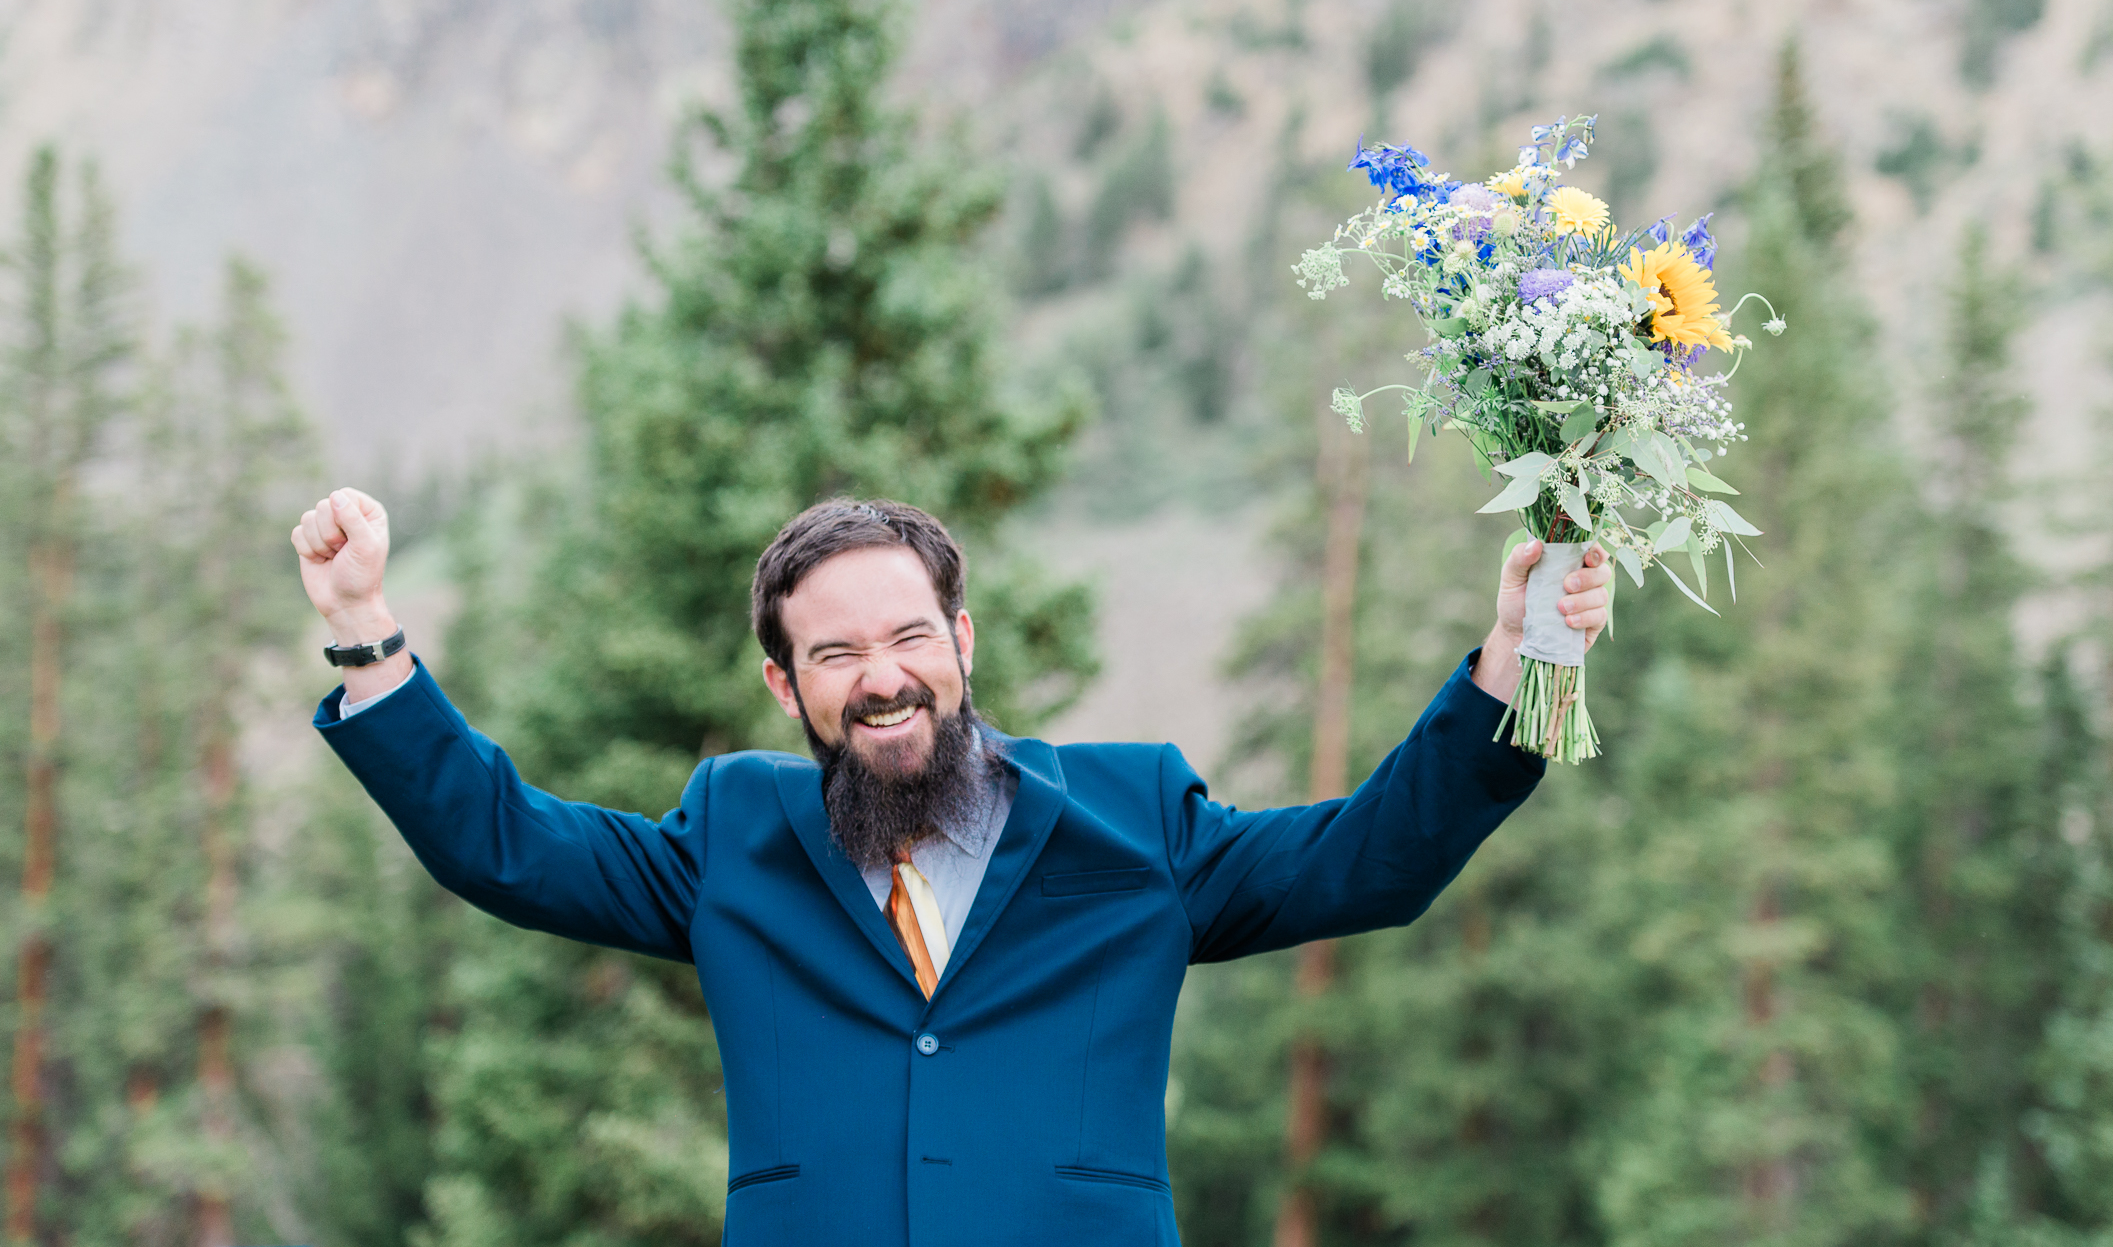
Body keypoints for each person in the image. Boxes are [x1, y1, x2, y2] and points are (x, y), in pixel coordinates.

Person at [293, 487, 1611, 1246]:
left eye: (908, 636)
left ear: (962, 642)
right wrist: (363, 629)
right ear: (782, 683)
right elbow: (506, 847)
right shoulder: (728, 837)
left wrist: (1533, 650)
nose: (882, 678)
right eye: (834, 654)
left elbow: (1377, 861)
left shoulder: (1135, 814)